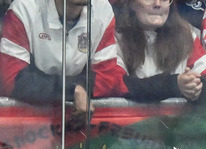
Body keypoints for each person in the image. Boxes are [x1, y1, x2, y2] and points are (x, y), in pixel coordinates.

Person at [0, 0, 128, 111]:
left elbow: (108, 77)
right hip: (28, 118)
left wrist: (78, 88)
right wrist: (72, 89)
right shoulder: (24, 9)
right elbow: (11, 80)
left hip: (75, 118)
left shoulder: (102, 9)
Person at [116, 0, 206, 102]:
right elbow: (118, 85)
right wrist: (174, 84)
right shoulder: (116, 39)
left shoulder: (187, 37)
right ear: (131, 3)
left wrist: (194, 86)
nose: (158, 4)